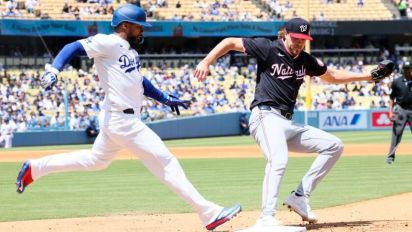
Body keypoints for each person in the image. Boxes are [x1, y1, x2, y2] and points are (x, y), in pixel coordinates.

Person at [15, 4, 241, 231]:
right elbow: (72, 47)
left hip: (116, 119)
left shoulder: (129, 51)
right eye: (139, 26)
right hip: (122, 121)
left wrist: (164, 98)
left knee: (96, 161)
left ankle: (35, 168)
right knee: (166, 162)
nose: (142, 30)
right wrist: (54, 70)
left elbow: (139, 82)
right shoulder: (109, 43)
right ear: (125, 25)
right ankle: (208, 213)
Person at [194, 18, 392, 228]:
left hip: (288, 123)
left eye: (303, 39)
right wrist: (206, 61)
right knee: (278, 160)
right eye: (296, 38)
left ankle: (300, 196)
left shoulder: (305, 60)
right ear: (286, 34)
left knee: (333, 146)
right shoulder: (267, 48)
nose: (299, 43)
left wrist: (367, 77)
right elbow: (230, 42)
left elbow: (331, 75)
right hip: (265, 115)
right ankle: (266, 218)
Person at [386, 63, 412, 164]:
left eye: (409, 69)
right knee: (396, 134)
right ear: (403, 70)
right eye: (405, 69)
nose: (407, 71)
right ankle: (390, 157)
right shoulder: (397, 82)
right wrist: (390, 112)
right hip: (400, 109)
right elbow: (392, 98)